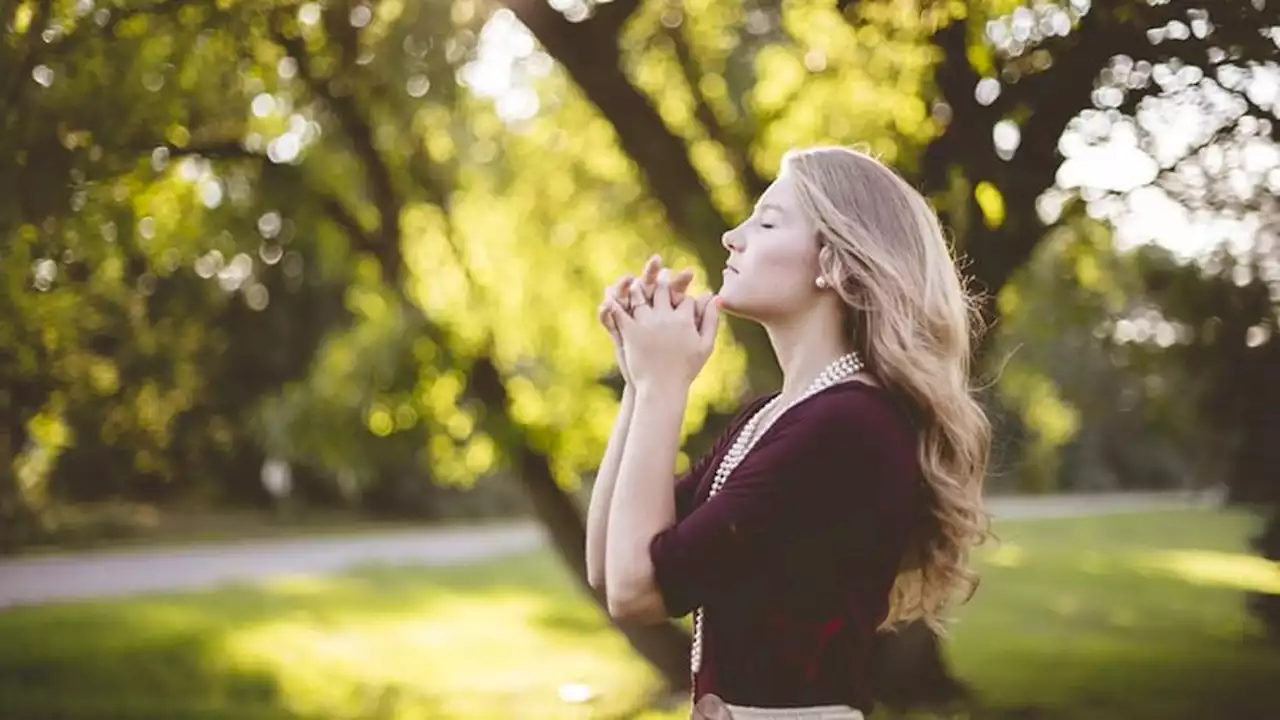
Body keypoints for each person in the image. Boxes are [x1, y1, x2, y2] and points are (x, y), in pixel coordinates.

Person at [586, 146, 991, 719]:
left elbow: (637, 593)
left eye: (768, 221)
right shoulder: (773, 417)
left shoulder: (847, 427)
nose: (733, 235)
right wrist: (639, 379)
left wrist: (663, 387)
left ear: (835, 263)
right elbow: (609, 566)